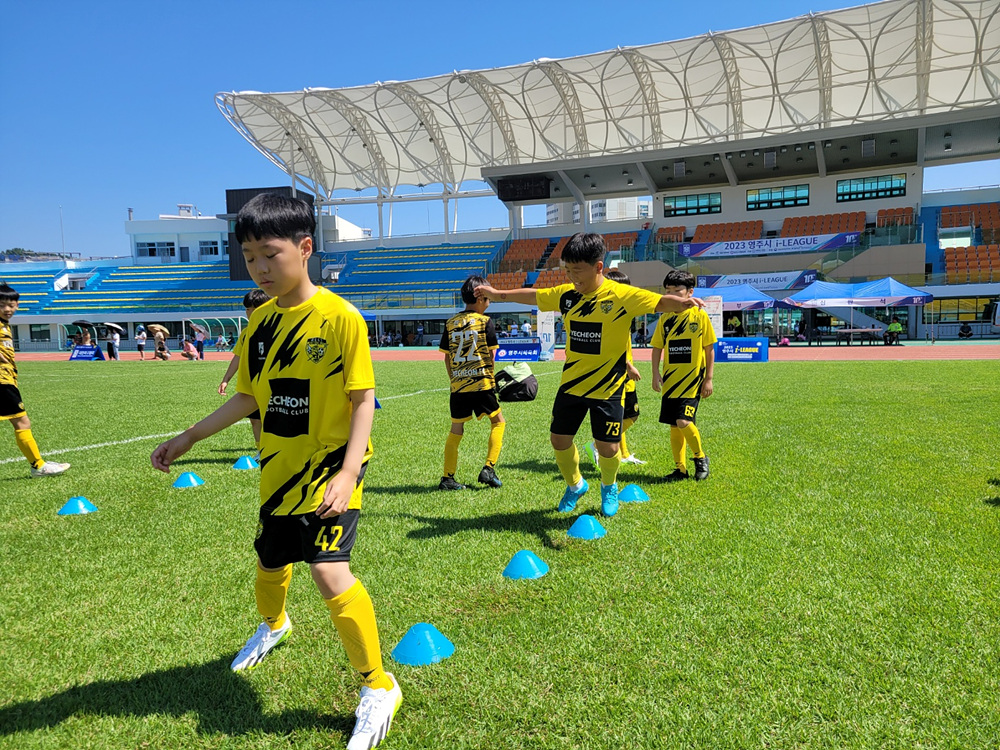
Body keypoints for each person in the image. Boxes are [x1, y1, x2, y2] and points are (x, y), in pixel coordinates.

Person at [150, 193, 400, 750]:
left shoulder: (341, 318)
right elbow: (249, 397)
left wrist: (348, 471)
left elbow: (363, 399)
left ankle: (378, 685)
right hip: (279, 471)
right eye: (249, 257)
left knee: (329, 572)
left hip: (332, 468)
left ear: (305, 248)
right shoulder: (259, 322)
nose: (259, 268)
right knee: (270, 560)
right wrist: (189, 437)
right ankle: (274, 625)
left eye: (270, 254)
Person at [475, 232, 703, 517]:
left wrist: (681, 304)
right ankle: (575, 485)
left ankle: (609, 486)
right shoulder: (567, 295)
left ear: (598, 267)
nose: (572, 277)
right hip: (571, 385)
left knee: (608, 448)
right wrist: (497, 294)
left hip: (608, 388)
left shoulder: (622, 295)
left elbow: (658, 301)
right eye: (568, 270)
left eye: (578, 271)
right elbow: (534, 296)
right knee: (559, 440)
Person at [437, 275, 505, 491]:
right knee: (498, 422)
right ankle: (489, 468)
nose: (489, 302)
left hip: (458, 386)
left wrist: (455, 380)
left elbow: (447, 358)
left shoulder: (450, 323)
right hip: (481, 383)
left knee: (456, 430)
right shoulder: (485, 322)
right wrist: (490, 379)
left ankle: (447, 478)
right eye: (488, 298)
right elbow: (491, 356)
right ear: (480, 298)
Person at [651, 270, 717, 482]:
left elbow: (709, 348)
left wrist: (708, 379)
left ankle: (700, 458)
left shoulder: (699, 315)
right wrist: (655, 373)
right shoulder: (665, 318)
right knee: (674, 425)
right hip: (671, 381)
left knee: (683, 421)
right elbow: (657, 348)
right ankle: (680, 469)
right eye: (668, 291)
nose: (671, 295)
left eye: (676, 290)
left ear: (690, 292)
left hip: (692, 381)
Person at [0, 283, 71, 478]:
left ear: (17, 305)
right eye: (2, 305)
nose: (7, 309)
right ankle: (38, 466)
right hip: (2, 382)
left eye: (11, 305)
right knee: (22, 422)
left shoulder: (4, 324)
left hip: (7, 379)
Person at [597, 269, 645, 466]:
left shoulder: (621, 310)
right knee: (632, 415)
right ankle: (598, 444)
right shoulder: (609, 313)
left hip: (620, 370)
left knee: (623, 414)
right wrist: (628, 366)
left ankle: (623, 454)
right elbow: (610, 346)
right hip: (619, 372)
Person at [220, 289, 270, 458]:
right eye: (248, 309)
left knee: (272, 420)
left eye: (254, 309)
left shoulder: (274, 330)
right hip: (251, 386)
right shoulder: (246, 333)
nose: (250, 313)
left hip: (271, 386)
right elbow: (238, 357)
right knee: (255, 420)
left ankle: (276, 450)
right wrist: (226, 379)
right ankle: (261, 451)